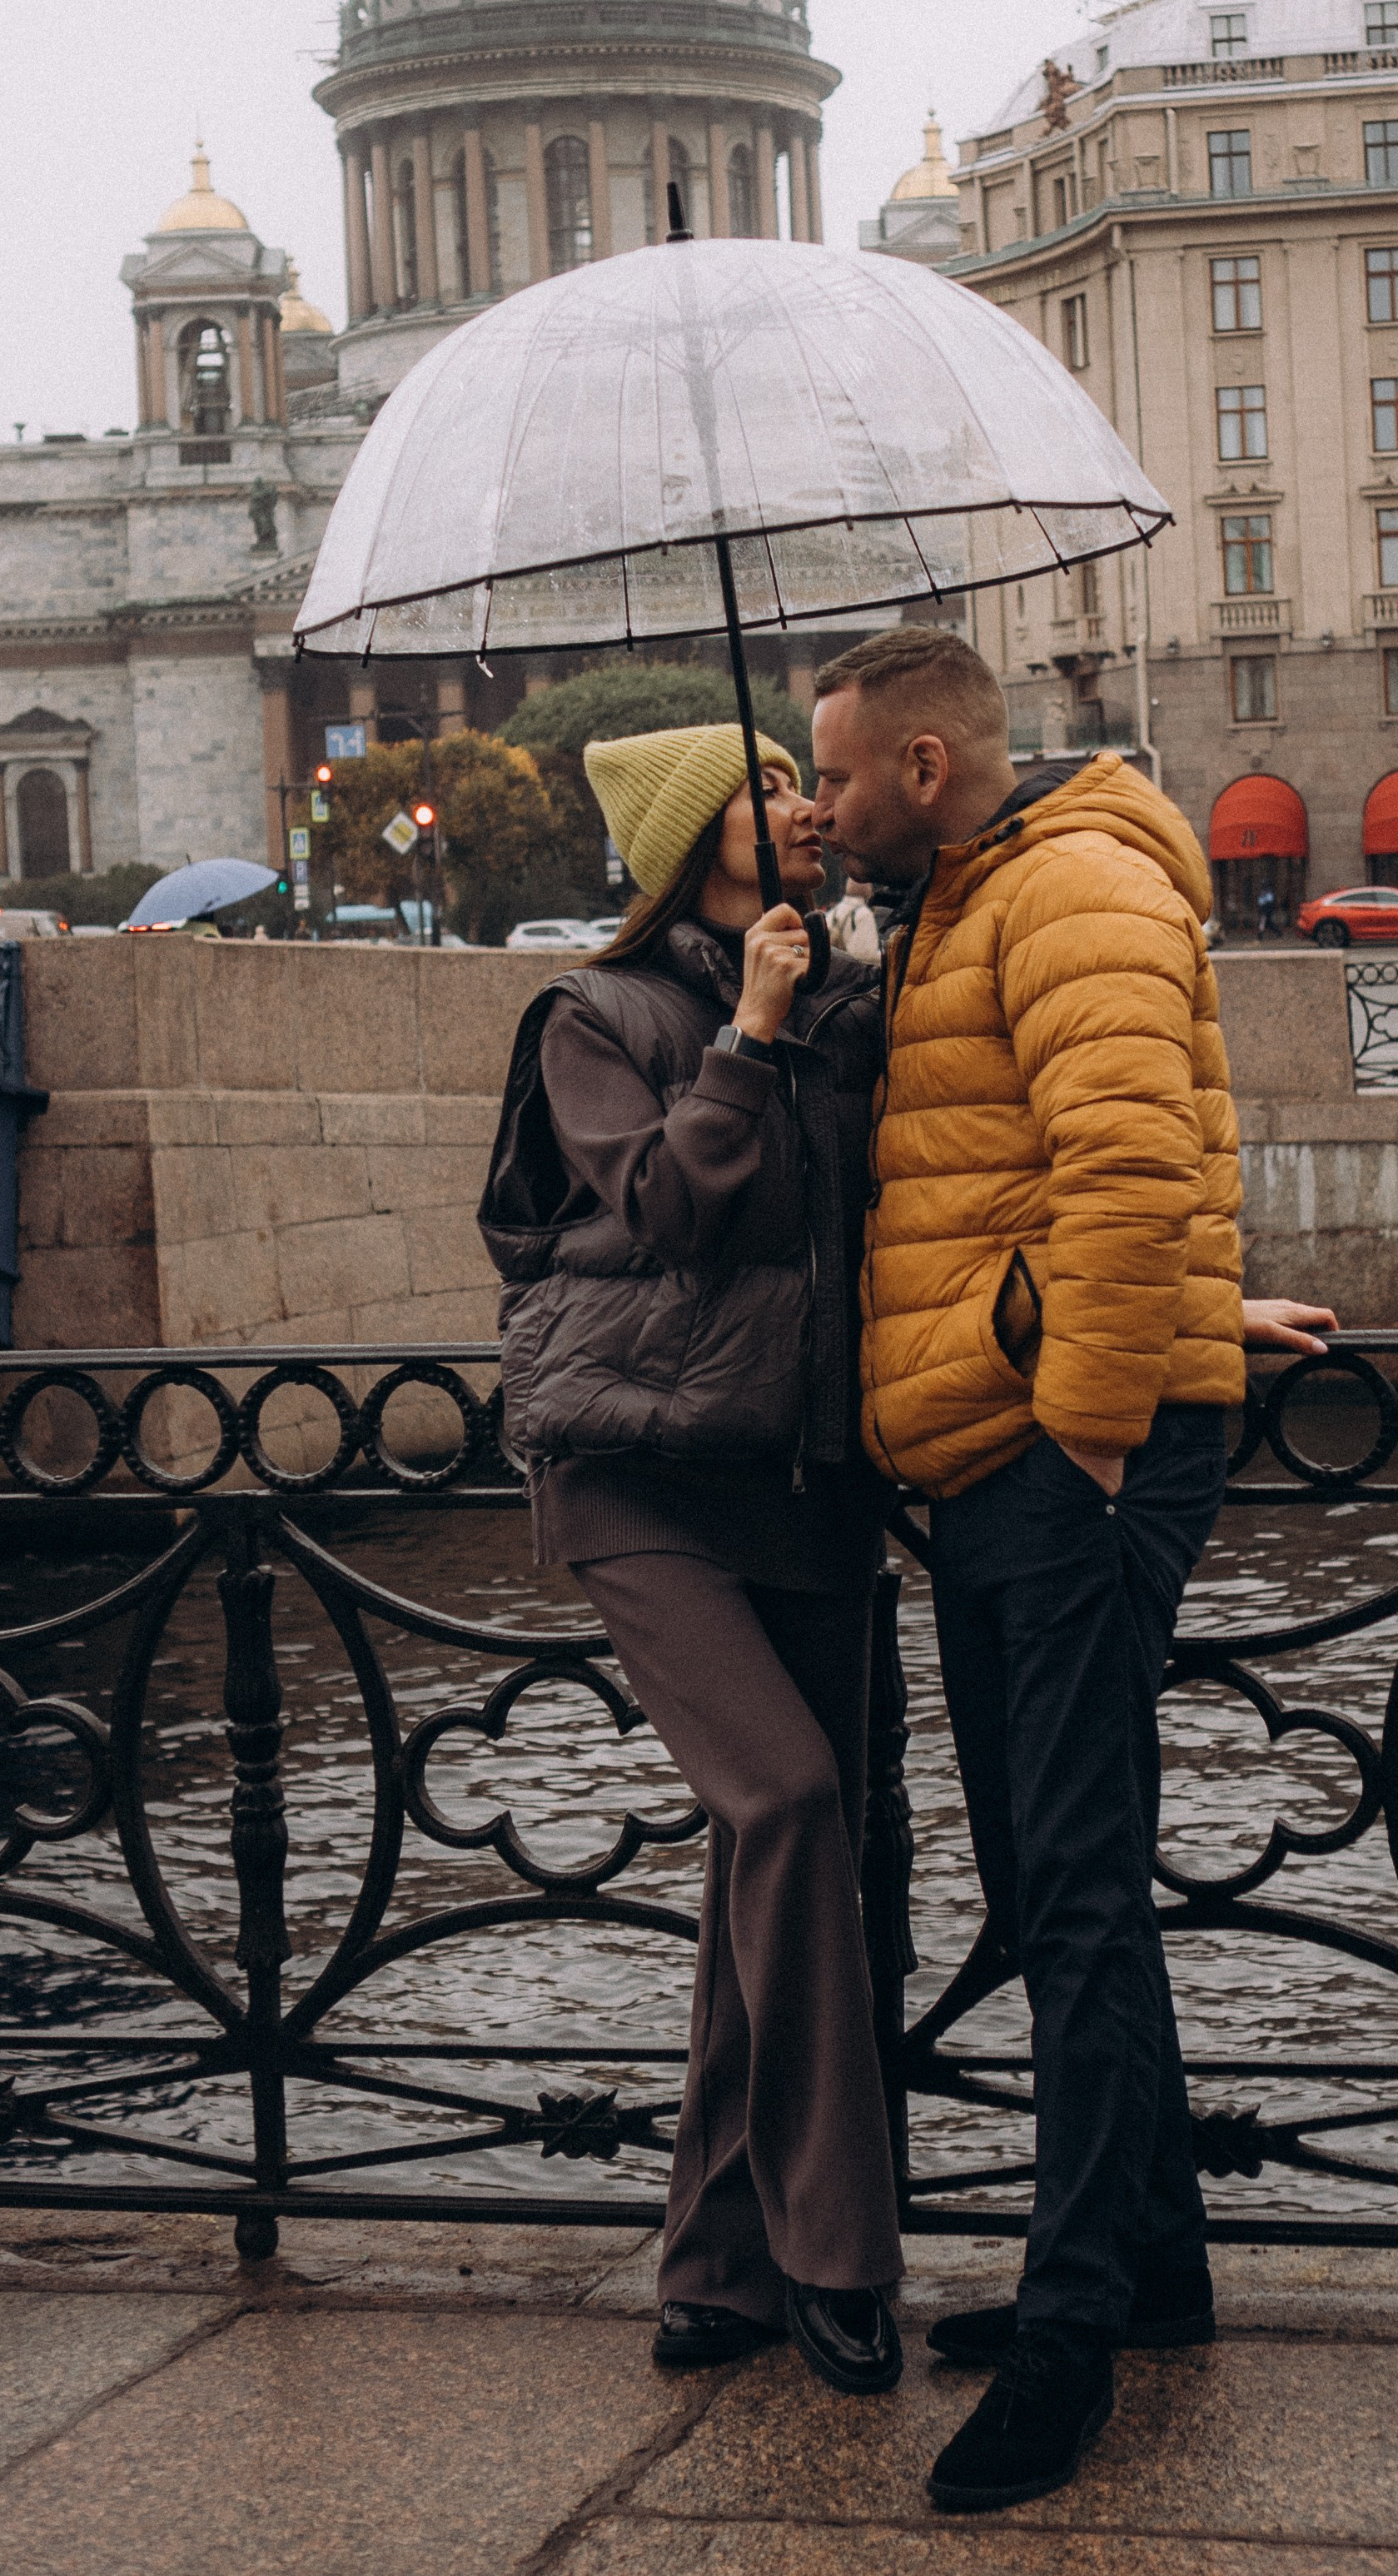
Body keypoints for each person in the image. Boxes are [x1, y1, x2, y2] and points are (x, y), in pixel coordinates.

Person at [808, 627, 1336, 2516]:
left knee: (1079, 1887)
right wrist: (1183, 1315)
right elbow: (1050, 1164)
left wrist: (1097, 1418)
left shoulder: (1076, 883)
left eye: (842, 775)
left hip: (1059, 1452)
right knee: (1053, 1871)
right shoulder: (964, 896)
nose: (821, 802)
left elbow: (1122, 1166)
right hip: (1009, 1437)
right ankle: (1159, 2257)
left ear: (930, 761)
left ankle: (1070, 2328)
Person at [478, 724, 905, 2397]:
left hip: (805, 1474)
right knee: (790, 1801)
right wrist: (750, 1031)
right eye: (769, 786)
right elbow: (665, 1200)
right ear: (692, 834)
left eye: (808, 781)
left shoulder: (848, 996)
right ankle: (836, 2250)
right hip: (636, 1471)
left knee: (782, 1853)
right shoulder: (597, 1014)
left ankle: (714, 2254)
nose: (803, 802)